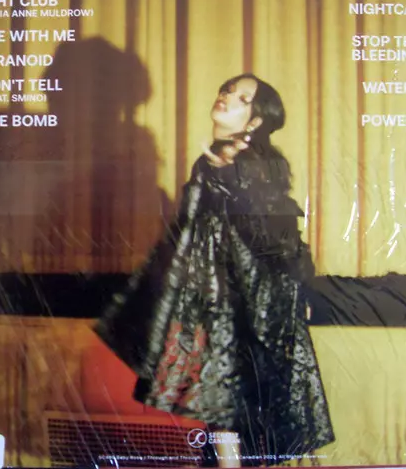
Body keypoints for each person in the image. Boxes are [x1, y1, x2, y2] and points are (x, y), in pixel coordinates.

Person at [93, 75, 335, 467]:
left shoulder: (253, 161)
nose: (226, 97)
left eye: (242, 98)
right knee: (223, 400)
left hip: (249, 301)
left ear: (255, 121)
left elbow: (274, 235)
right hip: (221, 297)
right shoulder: (215, 160)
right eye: (227, 90)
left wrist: (230, 176)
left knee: (227, 399)